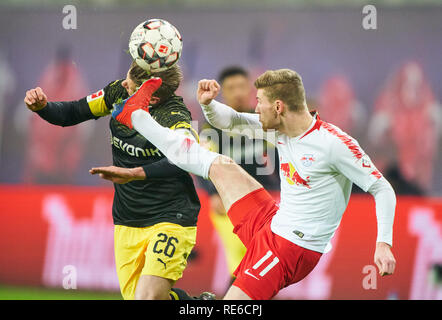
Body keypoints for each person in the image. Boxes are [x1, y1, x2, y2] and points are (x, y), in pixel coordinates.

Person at [98, 68, 397, 300]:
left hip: (290, 250)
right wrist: (208, 105)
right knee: (219, 164)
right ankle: (135, 114)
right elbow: (232, 121)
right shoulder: (283, 127)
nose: (256, 109)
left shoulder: (333, 144)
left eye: (260, 103)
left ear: (278, 106)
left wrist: (383, 243)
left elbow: (382, 188)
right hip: (271, 220)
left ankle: (136, 117)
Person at [24, 60, 211, 300]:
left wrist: (135, 173)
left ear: (150, 97)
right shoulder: (118, 92)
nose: (124, 85)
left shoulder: (175, 115)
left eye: (131, 87)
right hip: (128, 219)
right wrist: (43, 107)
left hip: (171, 216)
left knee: (148, 298)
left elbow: (187, 158)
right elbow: (71, 113)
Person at [198, 66, 279, 287]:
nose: (238, 92)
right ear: (222, 92)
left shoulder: (262, 121)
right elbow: (199, 161)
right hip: (227, 205)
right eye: (231, 88)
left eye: (242, 86)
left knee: (258, 261)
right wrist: (213, 193)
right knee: (249, 261)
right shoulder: (212, 127)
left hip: (260, 204)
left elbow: (280, 156)